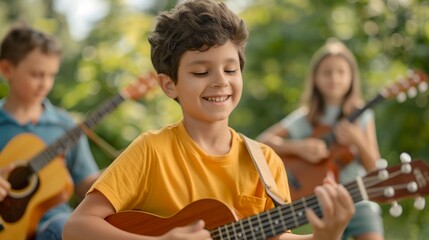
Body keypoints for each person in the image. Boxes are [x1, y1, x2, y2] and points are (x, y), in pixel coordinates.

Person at [62, 1, 355, 239]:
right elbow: (77, 227)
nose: (220, 82)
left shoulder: (265, 162)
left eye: (230, 70)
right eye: (201, 73)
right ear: (169, 85)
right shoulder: (151, 151)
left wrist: (324, 237)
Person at [256, 38, 384, 240]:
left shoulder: (363, 116)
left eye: (341, 72)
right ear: (315, 77)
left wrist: (357, 139)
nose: (334, 77)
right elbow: (262, 142)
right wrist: (299, 147)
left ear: (352, 77)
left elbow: (375, 169)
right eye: (327, 72)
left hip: (360, 201)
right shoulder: (306, 118)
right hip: (321, 203)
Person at [0, 24, 100, 240]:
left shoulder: (64, 125)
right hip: (6, 229)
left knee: (68, 226)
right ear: (7, 69)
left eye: (51, 75)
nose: (45, 84)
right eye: (36, 74)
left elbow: (86, 184)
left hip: (54, 226)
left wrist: (124, 174)